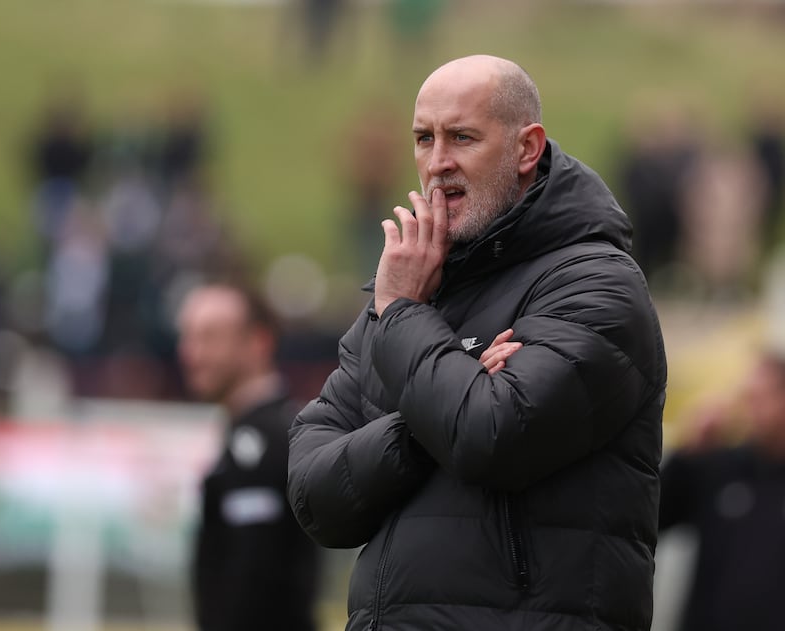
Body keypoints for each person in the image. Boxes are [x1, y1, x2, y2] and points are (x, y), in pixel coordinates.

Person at [287, 54, 667, 631]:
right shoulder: (406, 295)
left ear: (526, 148)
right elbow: (316, 498)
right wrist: (430, 414)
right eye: (423, 139)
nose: (437, 164)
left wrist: (406, 320)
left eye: (462, 137)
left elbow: (491, 435)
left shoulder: (596, 282)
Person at [177, 283, 319, 631]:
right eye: (188, 336)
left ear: (258, 342)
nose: (192, 353)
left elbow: (255, 585)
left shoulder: (261, 443)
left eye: (210, 337)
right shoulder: (254, 435)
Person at [658, 351, 785, 631]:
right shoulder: (720, 467)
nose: (750, 408)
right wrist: (685, 453)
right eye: (746, 397)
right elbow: (649, 518)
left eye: (760, 397)